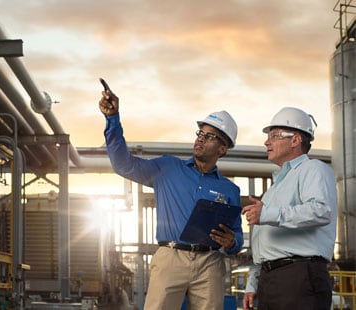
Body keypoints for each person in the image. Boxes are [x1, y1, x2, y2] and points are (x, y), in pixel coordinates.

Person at [98, 79, 243, 310]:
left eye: (210, 136)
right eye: (200, 133)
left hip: (210, 262)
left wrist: (233, 242)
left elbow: (237, 236)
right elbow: (123, 165)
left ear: (223, 149)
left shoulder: (230, 190)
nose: (200, 139)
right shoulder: (167, 168)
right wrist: (112, 119)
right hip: (171, 256)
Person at [241, 107, 337, 310]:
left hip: (299, 277)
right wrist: (253, 282)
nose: (267, 142)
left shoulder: (314, 169)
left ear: (296, 140)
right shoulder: (274, 189)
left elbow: (320, 210)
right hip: (270, 280)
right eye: (268, 136)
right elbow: (263, 243)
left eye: (275, 136)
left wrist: (266, 213)